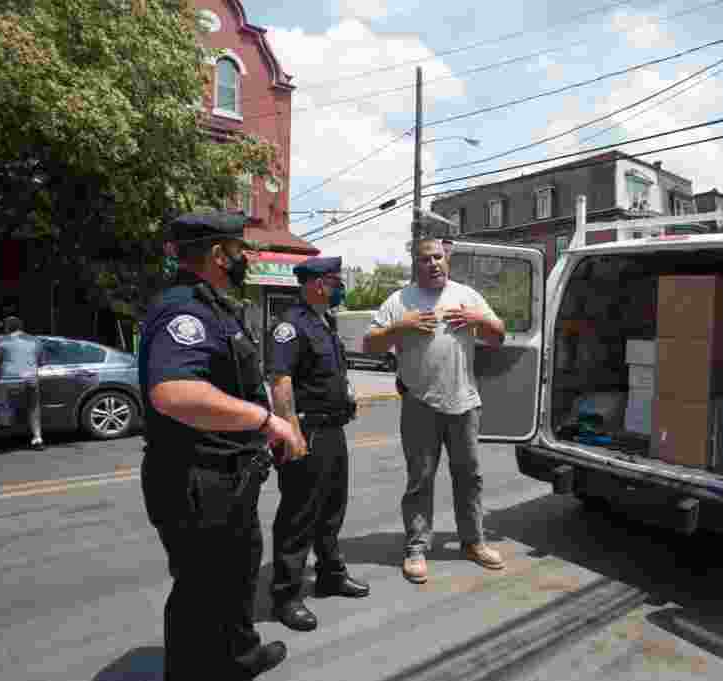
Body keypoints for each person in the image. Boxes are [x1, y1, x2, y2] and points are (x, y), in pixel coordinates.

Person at [138, 210, 306, 681]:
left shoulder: (217, 306)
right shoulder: (184, 311)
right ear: (217, 254)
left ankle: (239, 656)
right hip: (195, 480)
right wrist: (266, 420)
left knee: (237, 576)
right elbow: (173, 393)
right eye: (241, 249)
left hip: (229, 479)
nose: (248, 257)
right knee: (201, 592)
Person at [364, 237, 507, 584]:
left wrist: (477, 319)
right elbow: (369, 344)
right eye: (426, 259)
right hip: (420, 404)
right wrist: (401, 326)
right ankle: (416, 547)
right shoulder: (400, 301)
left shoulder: (467, 296)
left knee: (469, 477)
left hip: (465, 403)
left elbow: (498, 336)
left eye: (438, 257)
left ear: (448, 259)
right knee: (420, 480)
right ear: (416, 263)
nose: (433, 264)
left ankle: (473, 542)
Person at [268, 255, 369, 632]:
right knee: (299, 515)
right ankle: (286, 595)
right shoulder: (291, 327)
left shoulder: (324, 323)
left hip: (332, 430)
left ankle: (330, 574)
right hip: (307, 432)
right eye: (336, 281)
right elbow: (280, 382)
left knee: (331, 509)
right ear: (319, 284)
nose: (341, 287)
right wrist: (290, 432)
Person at [0, 315, 44, 456]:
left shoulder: (1, 340)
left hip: (8, 380)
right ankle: (38, 440)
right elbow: (41, 362)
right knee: (33, 408)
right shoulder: (35, 340)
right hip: (31, 380)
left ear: (7, 327)